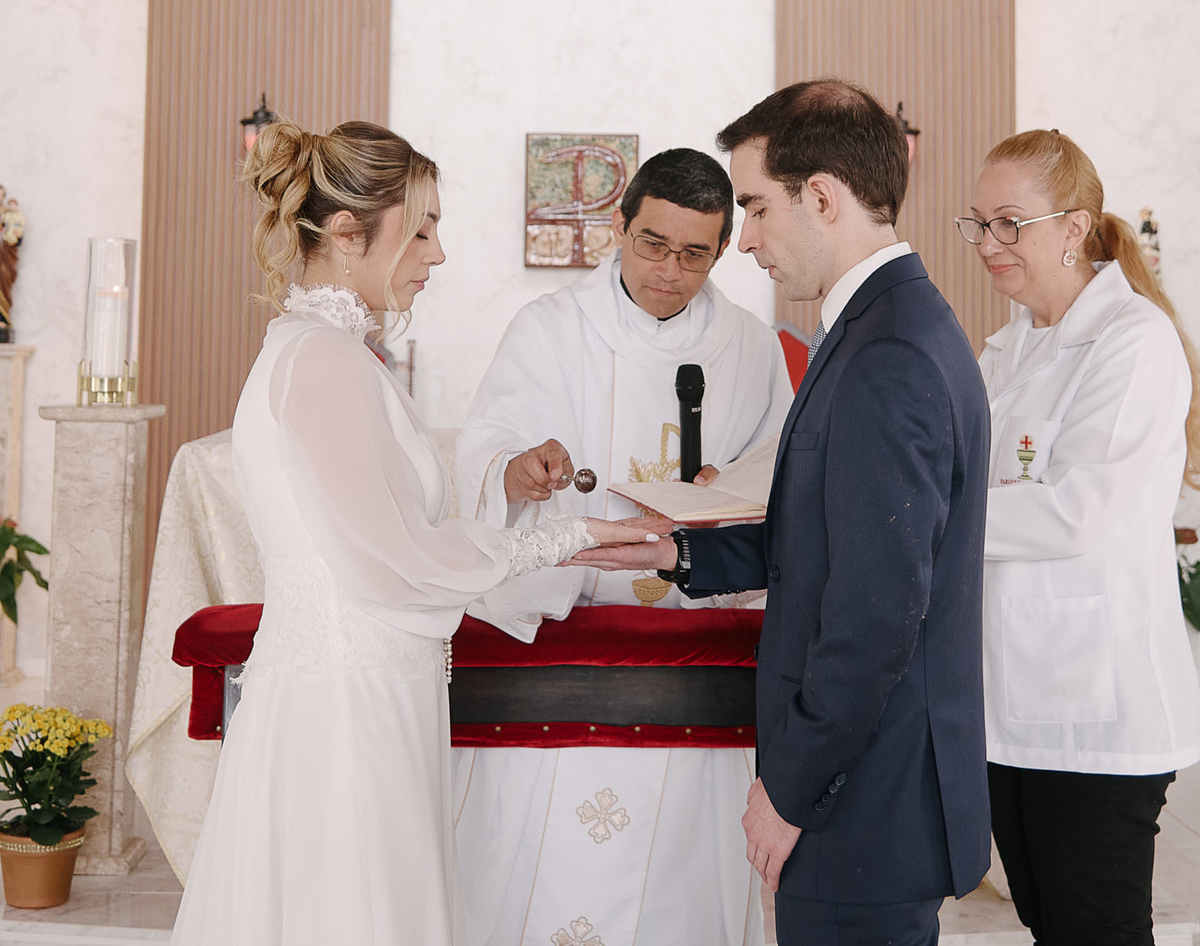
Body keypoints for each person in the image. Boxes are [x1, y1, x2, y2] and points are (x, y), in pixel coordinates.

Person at [169, 120, 655, 946]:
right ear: (350, 234)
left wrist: (504, 489)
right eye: (422, 229)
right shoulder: (322, 358)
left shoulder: (331, 352)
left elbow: (384, 528)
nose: (438, 255)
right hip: (346, 713)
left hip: (372, 690)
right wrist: (569, 536)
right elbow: (398, 561)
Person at [577, 79, 993, 946]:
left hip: (858, 804)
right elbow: (831, 542)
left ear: (824, 198)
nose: (748, 241)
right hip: (863, 793)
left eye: (757, 208)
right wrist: (678, 558)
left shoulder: (887, 354)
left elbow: (876, 613)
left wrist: (790, 788)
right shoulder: (884, 327)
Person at [453, 147, 794, 946]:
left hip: (692, 648)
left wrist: (728, 487)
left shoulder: (749, 347)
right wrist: (517, 471)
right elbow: (486, 445)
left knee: (680, 891)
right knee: (539, 876)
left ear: (720, 248)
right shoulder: (549, 329)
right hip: (566, 641)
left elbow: (783, 468)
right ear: (618, 226)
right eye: (652, 244)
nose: (670, 271)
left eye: (694, 254)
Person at [957, 128, 1200, 946]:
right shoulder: (1009, 347)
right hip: (1014, 700)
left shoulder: (1132, 342)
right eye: (979, 223)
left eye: (1009, 223)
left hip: (1097, 705)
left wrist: (927, 515)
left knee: (1095, 928)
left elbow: (1075, 510)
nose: (989, 244)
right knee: (1048, 922)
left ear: (1074, 226)